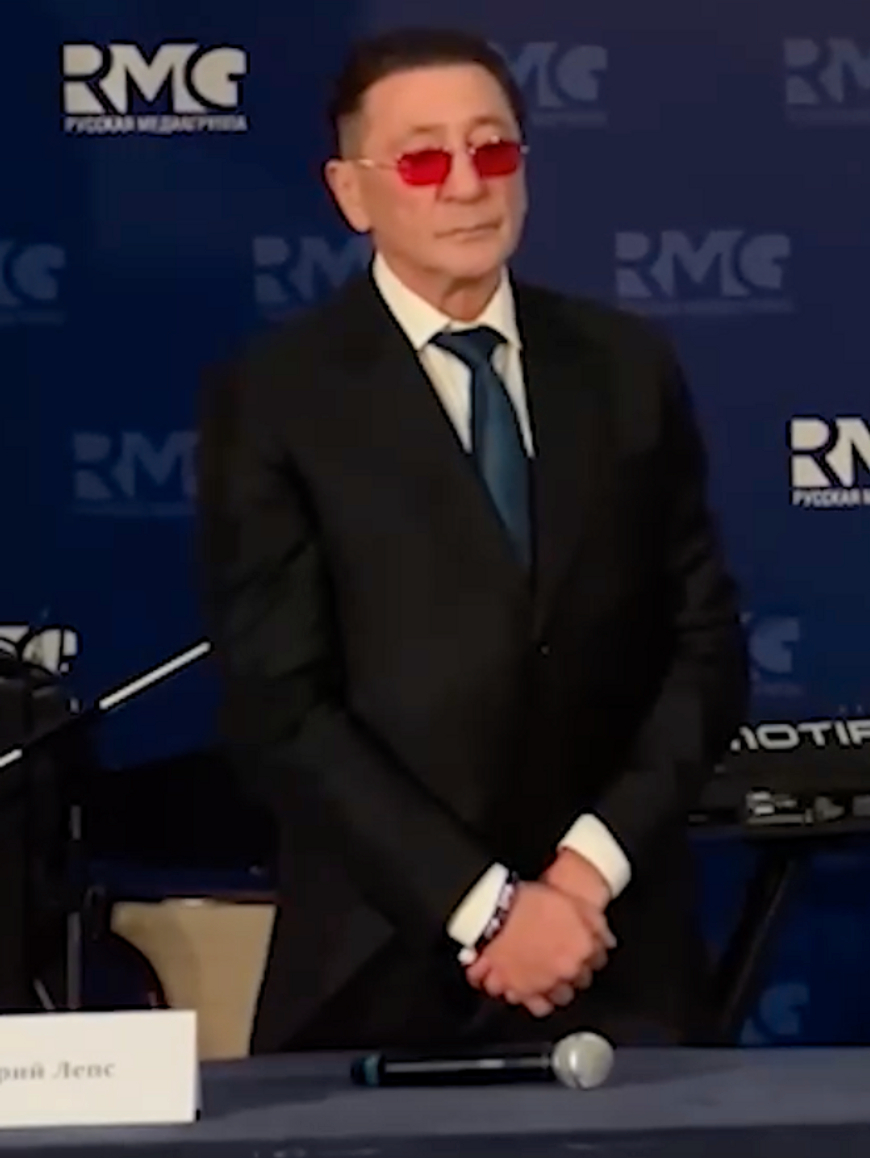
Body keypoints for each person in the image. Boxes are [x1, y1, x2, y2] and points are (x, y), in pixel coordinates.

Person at [196, 27, 747, 1053]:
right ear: (351, 193)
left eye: (491, 149)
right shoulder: (277, 397)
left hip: (614, 953)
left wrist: (580, 878)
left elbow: (704, 651)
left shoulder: (625, 367)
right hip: (379, 964)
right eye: (422, 159)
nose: (465, 184)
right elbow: (281, 708)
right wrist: (489, 909)